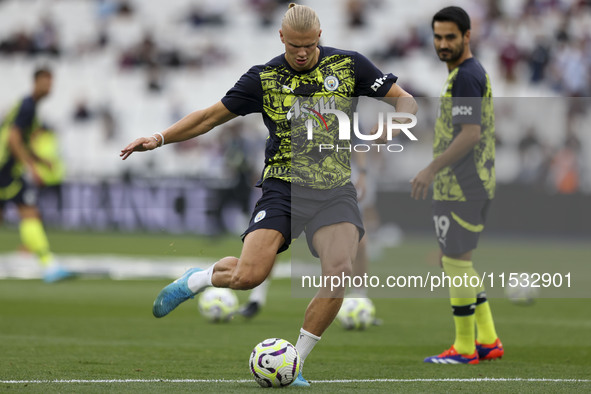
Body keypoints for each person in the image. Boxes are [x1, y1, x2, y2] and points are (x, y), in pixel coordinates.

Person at [121, 3, 416, 385]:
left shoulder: (350, 65)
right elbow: (210, 116)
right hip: (283, 187)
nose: (302, 53)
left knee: (339, 272)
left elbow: (405, 100)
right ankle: (197, 279)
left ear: (319, 37)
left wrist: (389, 131)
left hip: (334, 190)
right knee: (249, 276)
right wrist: (159, 138)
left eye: (309, 45)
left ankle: (295, 364)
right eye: (294, 45)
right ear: (281, 38)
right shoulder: (264, 78)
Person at [410, 6, 503, 364]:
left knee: (455, 262)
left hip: (462, 186)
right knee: (457, 261)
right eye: (438, 37)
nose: (443, 43)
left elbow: (470, 134)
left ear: (467, 36)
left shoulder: (465, 76)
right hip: (471, 184)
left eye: (451, 36)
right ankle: (489, 339)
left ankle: (465, 348)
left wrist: (430, 169)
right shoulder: (466, 73)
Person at [0, 67, 72, 283]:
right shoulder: (28, 106)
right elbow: (13, 140)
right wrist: (31, 167)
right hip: (7, 168)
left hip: (5, 166)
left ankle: (47, 263)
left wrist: (41, 161)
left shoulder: (28, 106)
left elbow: (19, 140)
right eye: (45, 82)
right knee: (29, 212)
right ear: (35, 82)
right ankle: (48, 264)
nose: (49, 87)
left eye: (51, 82)